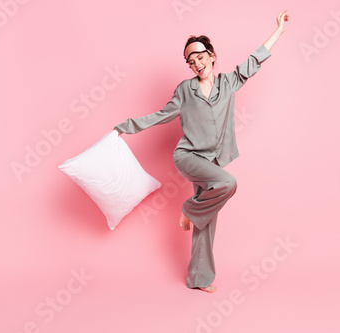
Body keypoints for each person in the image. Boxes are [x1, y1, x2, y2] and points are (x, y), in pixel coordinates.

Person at [114, 10, 289, 293]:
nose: (196, 62)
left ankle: (199, 279)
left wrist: (279, 31)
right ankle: (188, 209)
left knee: (206, 221)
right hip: (188, 157)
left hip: (211, 160)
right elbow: (161, 115)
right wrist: (126, 127)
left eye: (199, 56)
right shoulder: (185, 90)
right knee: (227, 183)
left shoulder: (228, 83)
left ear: (211, 55)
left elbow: (254, 61)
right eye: (190, 60)